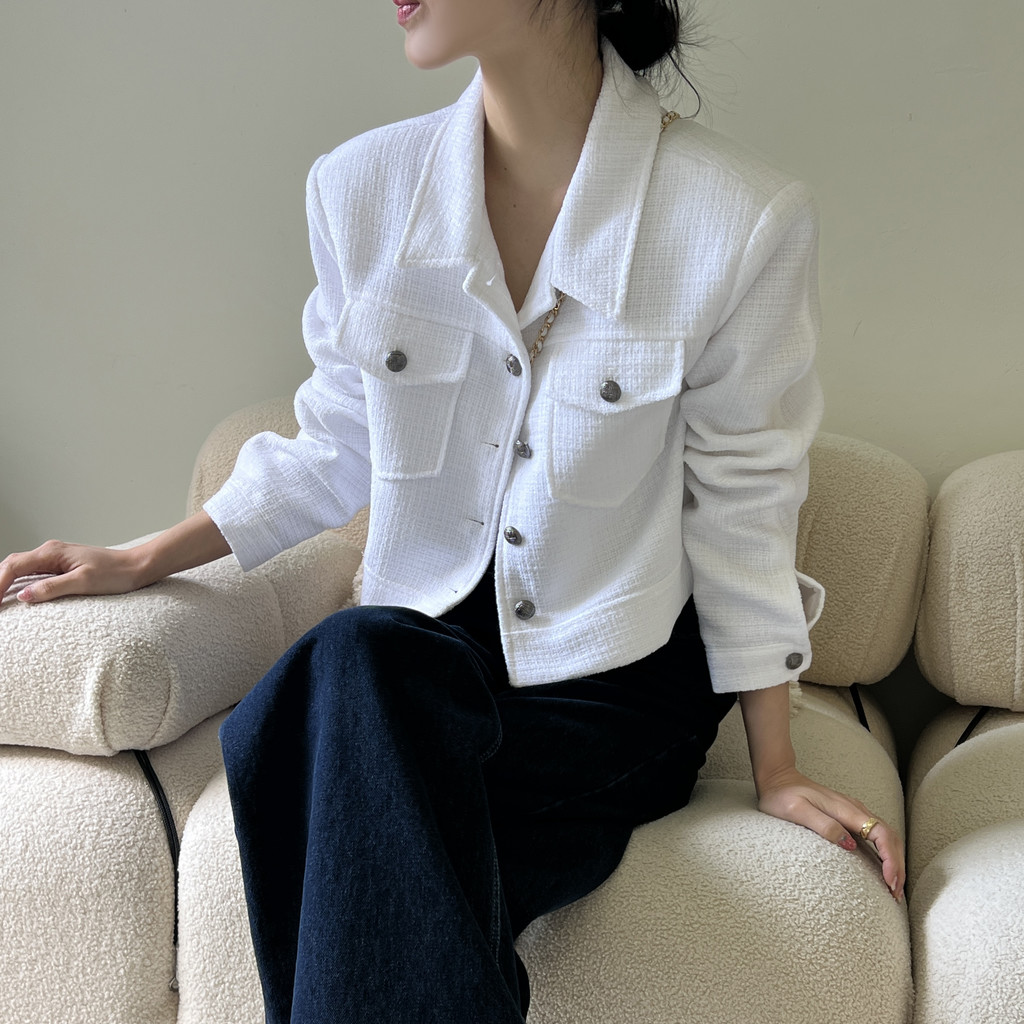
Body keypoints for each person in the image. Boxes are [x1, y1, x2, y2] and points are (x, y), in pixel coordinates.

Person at [0, 0, 905, 1020]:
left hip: (614, 688)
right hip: (423, 671)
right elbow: (337, 437)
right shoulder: (362, 189)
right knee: (347, 666)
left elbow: (742, 501)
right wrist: (143, 557)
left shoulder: (736, 218)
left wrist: (775, 765)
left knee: (315, 750)